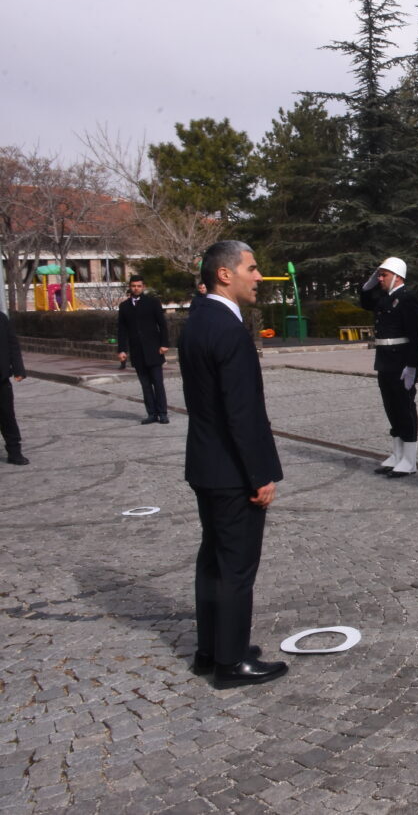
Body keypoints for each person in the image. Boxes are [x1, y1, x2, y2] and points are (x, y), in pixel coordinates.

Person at [179, 240, 286, 688]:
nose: (258, 277)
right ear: (225, 274)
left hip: (206, 463)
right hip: (231, 471)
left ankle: (212, 649)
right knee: (236, 567)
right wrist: (260, 475)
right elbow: (241, 413)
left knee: (213, 562)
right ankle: (232, 661)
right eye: (252, 268)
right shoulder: (228, 329)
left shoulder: (198, 320)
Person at [359, 258, 418, 479]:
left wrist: (412, 365)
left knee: (405, 408)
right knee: (391, 408)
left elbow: (415, 334)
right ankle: (397, 454)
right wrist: (370, 281)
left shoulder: (407, 298)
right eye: (379, 275)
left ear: (397, 276)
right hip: (385, 360)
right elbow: (366, 301)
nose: (380, 279)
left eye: (384, 275)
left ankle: (409, 458)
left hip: (401, 360)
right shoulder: (384, 299)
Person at [117, 274, 170, 424]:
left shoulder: (153, 302)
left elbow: (162, 324)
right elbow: (122, 330)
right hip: (137, 351)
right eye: (133, 286)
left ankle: (162, 413)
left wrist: (164, 344)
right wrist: (122, 350)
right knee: (145, 385)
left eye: (139, 286)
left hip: (154, 349)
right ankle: (151, 413)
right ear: (130, 287)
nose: (136, 288)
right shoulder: (124, 306)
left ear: (143, 287)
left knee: (158, 383)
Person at [1, 309, 28, 465]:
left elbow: (13, 345)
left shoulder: (2, 319)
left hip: (1, 379)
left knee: (7, 416)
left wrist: (18, 369)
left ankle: (14, 452)